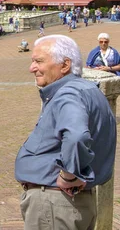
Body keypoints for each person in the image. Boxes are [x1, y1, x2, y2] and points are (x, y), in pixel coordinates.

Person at [15, 35, 116, 229]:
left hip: (55, 204)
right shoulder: (88, 90)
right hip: (70, 203)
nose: (32, 68)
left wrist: (68, 175)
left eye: (39, 61)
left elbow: (77, 136)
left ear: (65, 65)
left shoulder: (68, 94)